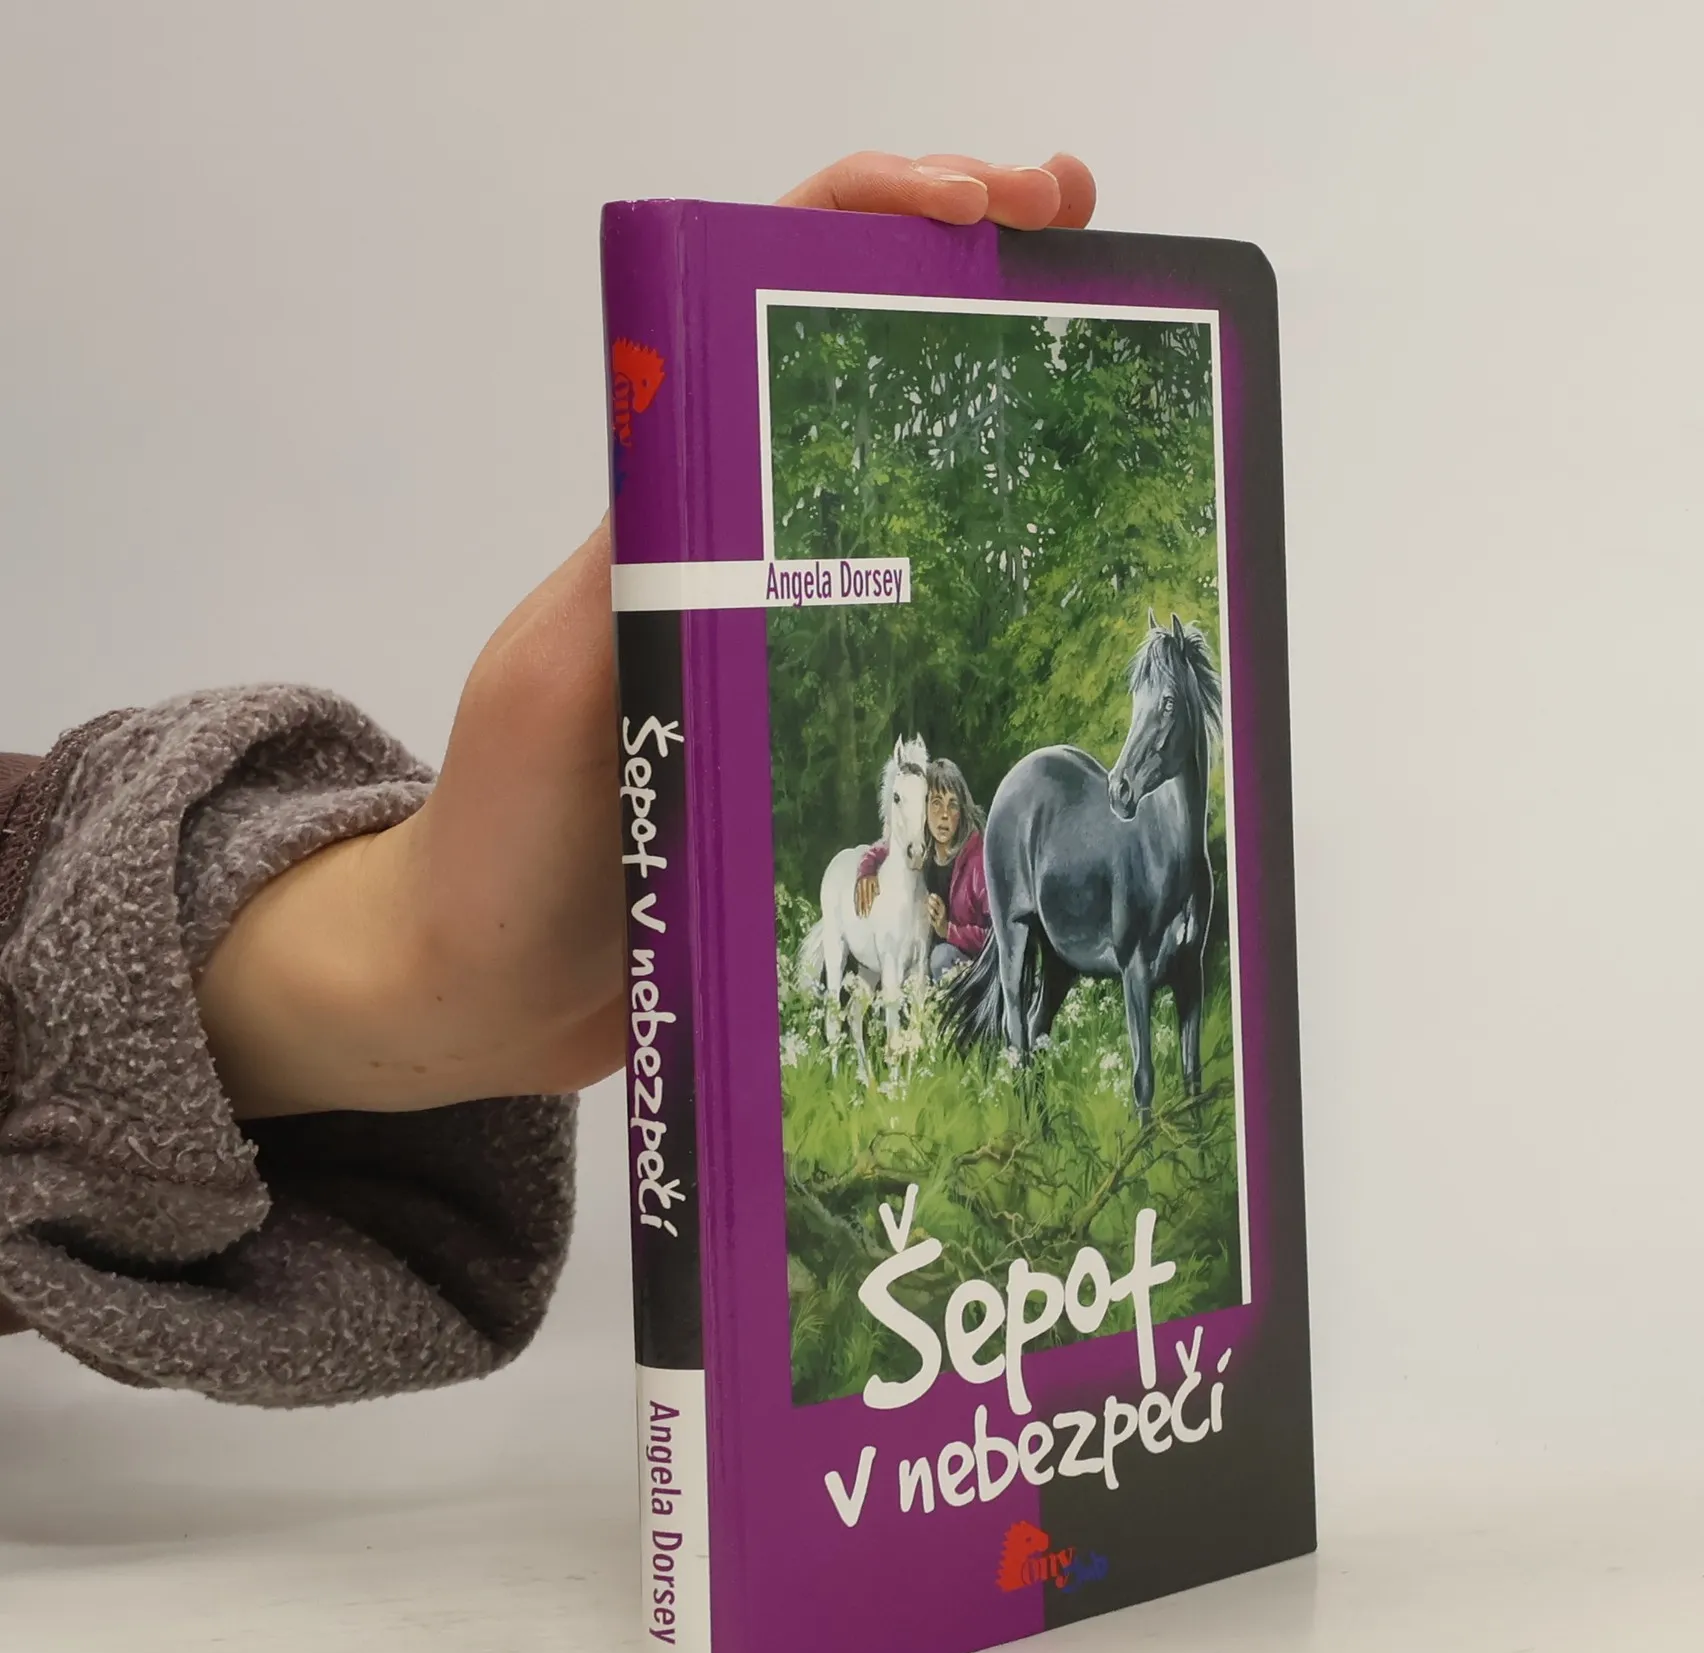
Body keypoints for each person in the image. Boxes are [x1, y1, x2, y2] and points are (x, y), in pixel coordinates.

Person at [0, 150, 1097, 1391]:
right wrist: (406, 953)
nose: (926, 813)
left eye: (930, 801)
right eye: (916, 799)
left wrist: (416, 953)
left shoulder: (977, 845)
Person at [852, 757, 989, 982]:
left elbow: (995, 936)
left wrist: (948, 930)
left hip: (973, 964)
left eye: (953, 804)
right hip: (928, 961)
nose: (944, 814)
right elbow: (884, 847)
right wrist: (866, 870)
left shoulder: (976, 859)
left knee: (940, 957)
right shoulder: (922, 847)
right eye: (936, 802)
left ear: (962, 811)